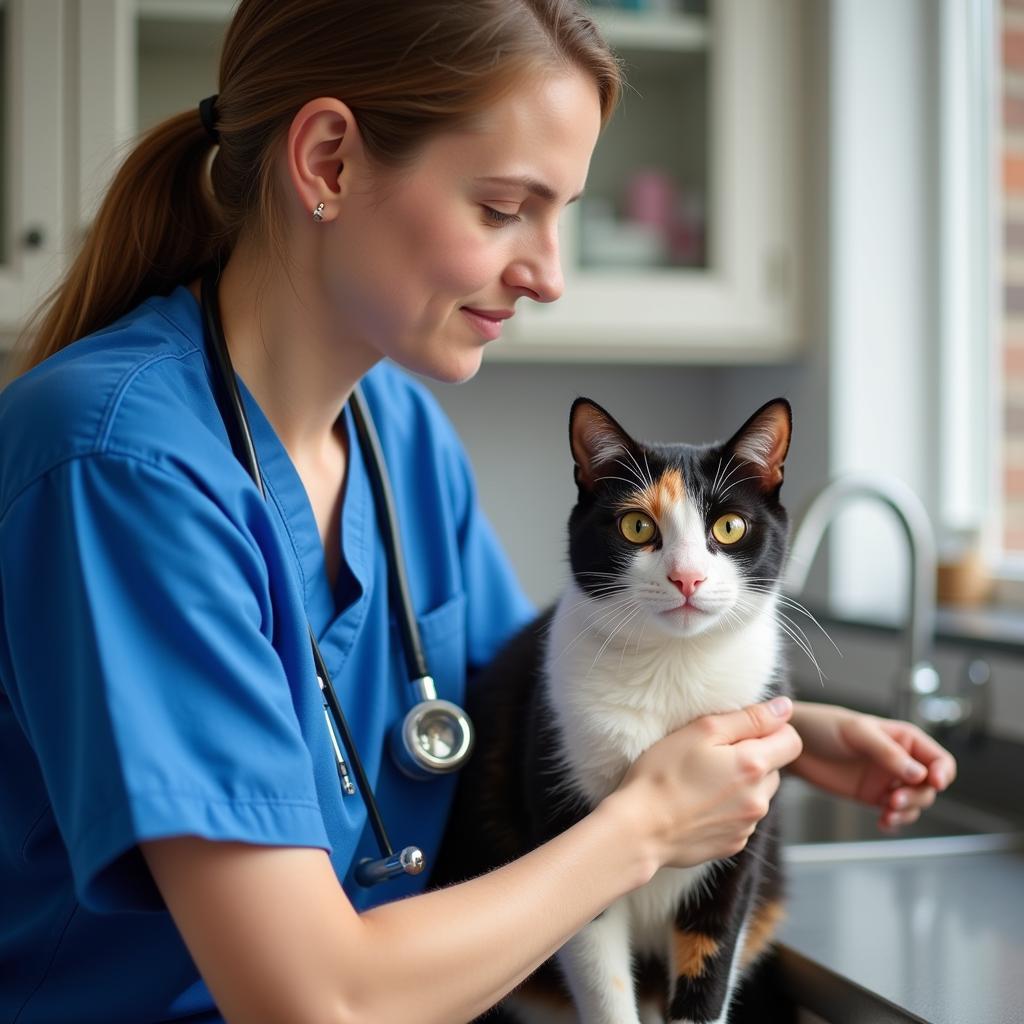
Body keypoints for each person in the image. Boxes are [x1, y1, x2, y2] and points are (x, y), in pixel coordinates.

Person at [0, 2, 956, 1022]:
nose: (548, 273)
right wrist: (646, 826)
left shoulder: (396, 432)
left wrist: (785, 731)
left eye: (563, 215)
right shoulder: (118, 467)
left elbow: (534, 700)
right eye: (505, 208)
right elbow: (311, 999)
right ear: (327, 161)